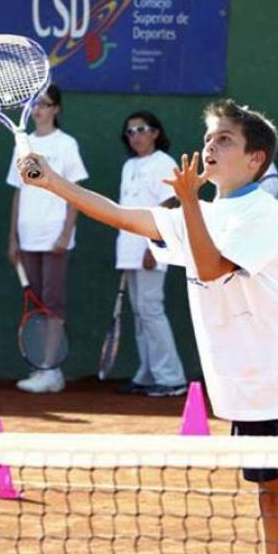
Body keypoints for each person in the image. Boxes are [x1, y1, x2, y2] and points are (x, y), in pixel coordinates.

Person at [16, 99, 278, 554]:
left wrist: (189, 202)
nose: (211, 148)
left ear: (255, 158)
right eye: (210, 139)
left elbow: (215, 267)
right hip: (244, 394)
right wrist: (52, 182)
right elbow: (122, 215)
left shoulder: (262, 213)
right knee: (270, 509)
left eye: (224, 141)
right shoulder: (199, 210)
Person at [6, 84, 88, 393]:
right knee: (37, 306)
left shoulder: (66, 144)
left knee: (53, 304)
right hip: (27, 238)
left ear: (56, 109)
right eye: (35, 104)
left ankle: (52, 370)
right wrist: (13, 238)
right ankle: (40, 368)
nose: (39, 109)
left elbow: (76, 194)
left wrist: (66, 233)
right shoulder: (22, 146)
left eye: (45, 104)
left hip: (55, 237)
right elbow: (18, 192)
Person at [115, 111, 186, 397]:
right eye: (130, 132)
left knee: (151, 311)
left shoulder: (164, 163)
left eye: (141, 129)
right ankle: (146, 374)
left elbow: (170, 204)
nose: (135, 136)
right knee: (141, 313)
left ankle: (172, 378)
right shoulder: (129, 166)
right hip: (128, 249)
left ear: (155, 133)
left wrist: (152, 245)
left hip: (151, 249)